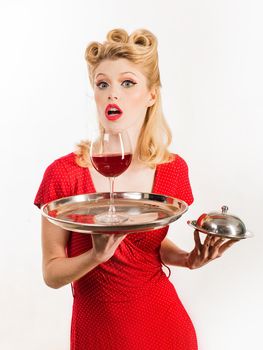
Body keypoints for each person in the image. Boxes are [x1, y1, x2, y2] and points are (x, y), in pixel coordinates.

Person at [34, 28, 237, 350]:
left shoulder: (172, 171)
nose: (113, 93)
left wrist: (188, 258)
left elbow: (145, 245)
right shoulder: (65, 174)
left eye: (127, 82)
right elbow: (52, 274)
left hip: (163, 323)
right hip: (99, 330)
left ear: (152, 94)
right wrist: (96, 256)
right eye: (103, 84)